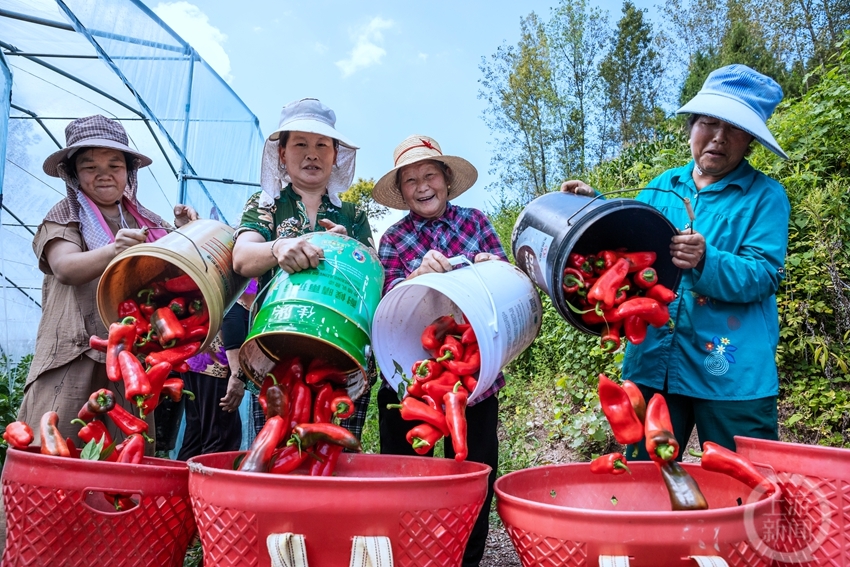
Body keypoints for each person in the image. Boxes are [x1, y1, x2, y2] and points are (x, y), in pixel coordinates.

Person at [561, 64, 791, 456]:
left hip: (731, 373)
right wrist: (596, 206)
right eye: (709, 122)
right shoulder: (663, 186)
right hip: (654, 362)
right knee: (645, 479)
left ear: (750, 140)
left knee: (741, 482)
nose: (718, 137)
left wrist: (706, 260)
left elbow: (764, 275)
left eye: (734, 129)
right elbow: (626, 246)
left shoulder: (765, 197)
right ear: (691, 127)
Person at [18, 115, 198, 450]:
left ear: (129, 171)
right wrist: (113, 250)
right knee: (55, 451)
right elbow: (65, 268)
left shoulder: (146, 221)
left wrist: (183, 233)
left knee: (123, 457)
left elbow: (173, 276)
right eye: (90, 166)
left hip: (129, 365)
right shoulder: (64, 216)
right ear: (73, 173)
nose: (103, 174)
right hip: (73, 357)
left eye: (114, 165)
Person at [371, 134, 506, 567]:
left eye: (429, 175)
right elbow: (385, 303)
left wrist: (490, 267)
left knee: (473, 478)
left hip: (473, 375)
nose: (422, 186)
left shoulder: (476, 222)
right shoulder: (394, 238)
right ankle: (412, 557)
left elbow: (505, 283)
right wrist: (417, 275)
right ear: (402, 191)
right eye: (410, 181)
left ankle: (466, 559)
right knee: (406, 480)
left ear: (446, 179)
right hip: (413, 377)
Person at [232, 98, 374, 439]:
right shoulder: (267, 205)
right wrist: (279, 247)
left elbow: (373, 273)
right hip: (276, 347)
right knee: (276, 449)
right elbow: (242, 257)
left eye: (322, 145)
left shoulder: (352, 216)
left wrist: (346, 248)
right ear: (282, 153)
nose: (312, 154)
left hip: (340, 353)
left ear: (335, 155)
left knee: (332, 450)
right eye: (300, 144)